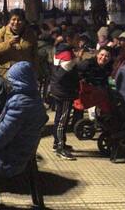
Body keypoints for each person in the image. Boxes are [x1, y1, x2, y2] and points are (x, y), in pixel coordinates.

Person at [0, 61, 48, 177]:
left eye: (11, 79)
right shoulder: (33, 97)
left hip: (8, 160)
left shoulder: (19, 104)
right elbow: (9, 133)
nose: (8, 82)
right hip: (19, 153)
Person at [49, 30, 80, 160]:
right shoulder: (67, 54)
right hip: (64, 92)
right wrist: (75, 61)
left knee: (59, 118)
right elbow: (61, 75)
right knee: (63, 119)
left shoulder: (59, 49)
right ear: (69, 39)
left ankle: (57, 143)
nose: (78, 41)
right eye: (76, 38)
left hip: (58, 89)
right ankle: (60, 148)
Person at [0, 9, 38, 77]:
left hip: (24, 73)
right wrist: (8, 43)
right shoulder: (3, 32)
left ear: (24, 22)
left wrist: (35, 71)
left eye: (19, 20)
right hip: (7, 73)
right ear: (9, 21)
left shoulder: (30, 34)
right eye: (13, 19)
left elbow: (35, 54)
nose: (16, 22)